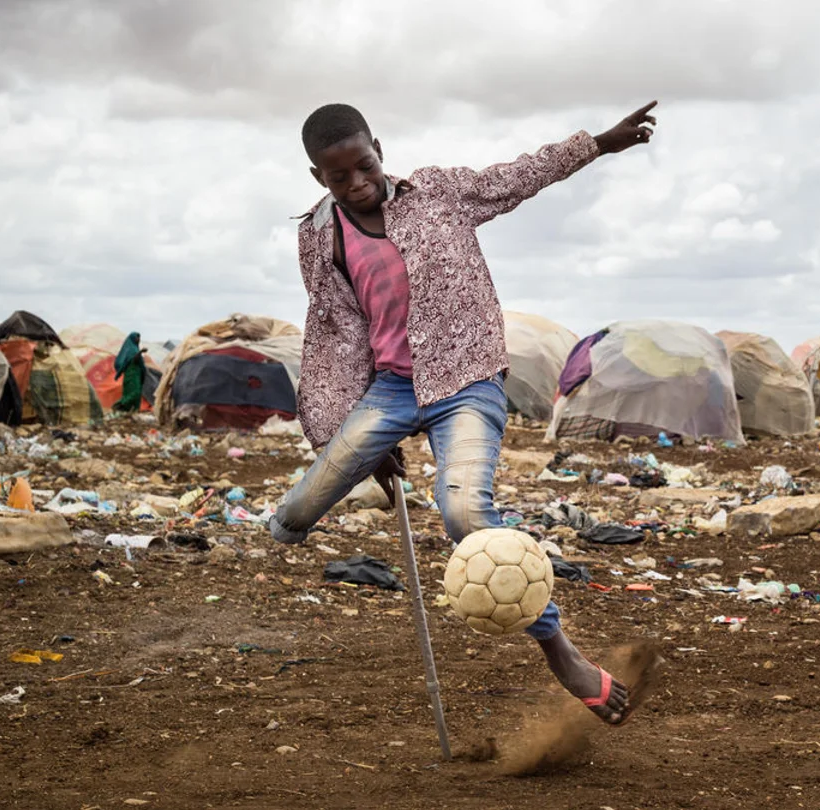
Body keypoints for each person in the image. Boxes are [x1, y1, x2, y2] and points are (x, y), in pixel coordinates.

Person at [269, 100, 658, 725]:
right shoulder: (319, 236)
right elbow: (338, 332)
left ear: (379, 150)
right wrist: (355, 436)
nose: (358, 183)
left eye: (365, 166)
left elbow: (519, 176)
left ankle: (561, 653)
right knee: (291, 516)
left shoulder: (438, 195)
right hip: (391, 389)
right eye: (339, 176)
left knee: (466, 514)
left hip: (466, 380)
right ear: (319, 177)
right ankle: (291, 529)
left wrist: (598, 143)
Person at [112, 332, 147, 414]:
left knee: (137, 394)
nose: (139, 339)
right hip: (131, 375)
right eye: (137, 337)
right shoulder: (132, 350)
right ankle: (119, 405)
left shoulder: (135, 348)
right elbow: (134, 359)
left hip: (136, 375)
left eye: (139, 337)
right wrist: (140, 352)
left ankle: (132, 411)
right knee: (134, 393)